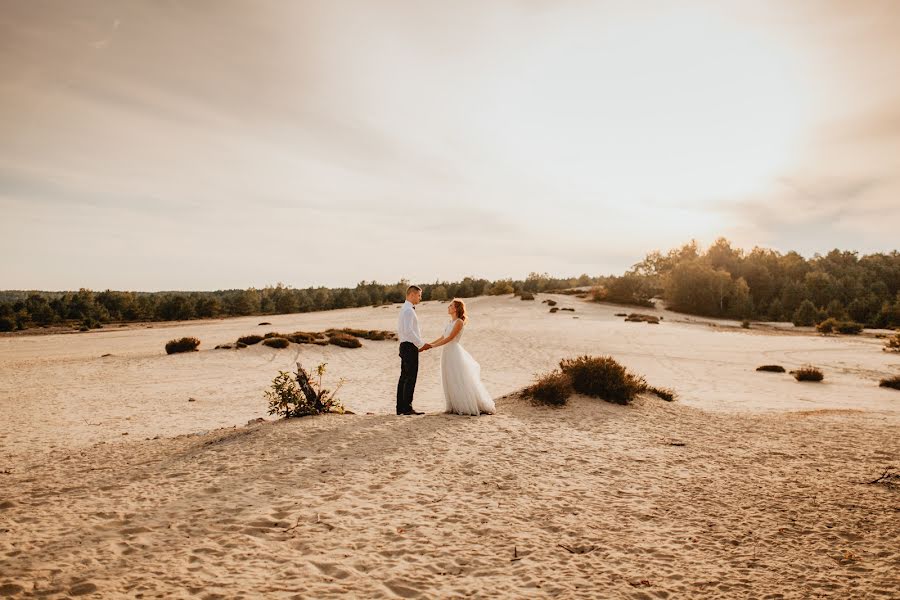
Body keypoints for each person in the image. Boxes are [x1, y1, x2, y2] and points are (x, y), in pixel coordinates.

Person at [425, 298, 495, 416]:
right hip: (447, 352)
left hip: (454, 352)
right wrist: (429, 344)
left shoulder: (459, 322)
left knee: (457, 378)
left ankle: (464, 405)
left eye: (451, 306)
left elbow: (450, 338)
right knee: (449, 378)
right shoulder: (450, 322)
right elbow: (443, 337)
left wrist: (432, 346)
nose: (448, 307)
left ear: (456, 308)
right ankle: (453, 405)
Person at [396, 285, 428, 415]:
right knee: (410, 378)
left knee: (404, 377)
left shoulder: (405, 309)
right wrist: (421, 344)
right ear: (412, 294)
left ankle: (401, 408)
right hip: (409, 346)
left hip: (405, 345)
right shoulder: (408, 311)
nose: (420, 298)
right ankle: (407, 408)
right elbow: (408, 331)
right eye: (419, 295)